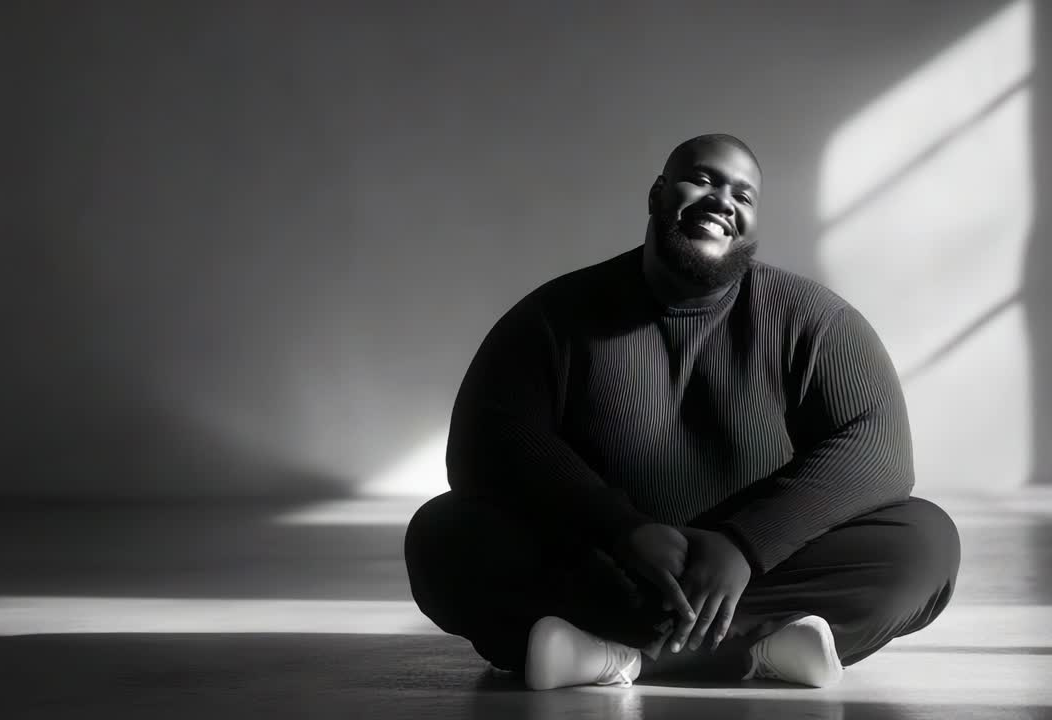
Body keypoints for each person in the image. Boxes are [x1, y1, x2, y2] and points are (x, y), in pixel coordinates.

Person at [404, 133, 961, 690]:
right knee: (441, 534)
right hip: (603, 564)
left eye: (744, 195)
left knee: (926, 542)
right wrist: (623, 529)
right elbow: (489, 439)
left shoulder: (817, 322)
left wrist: (746, 546)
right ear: (657, 193)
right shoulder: (553, 318)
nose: (723, 200)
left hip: (756, 572)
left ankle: (606, 655)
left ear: (754, 222)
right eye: (703, 179)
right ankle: (762, 650)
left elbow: (877, 451)